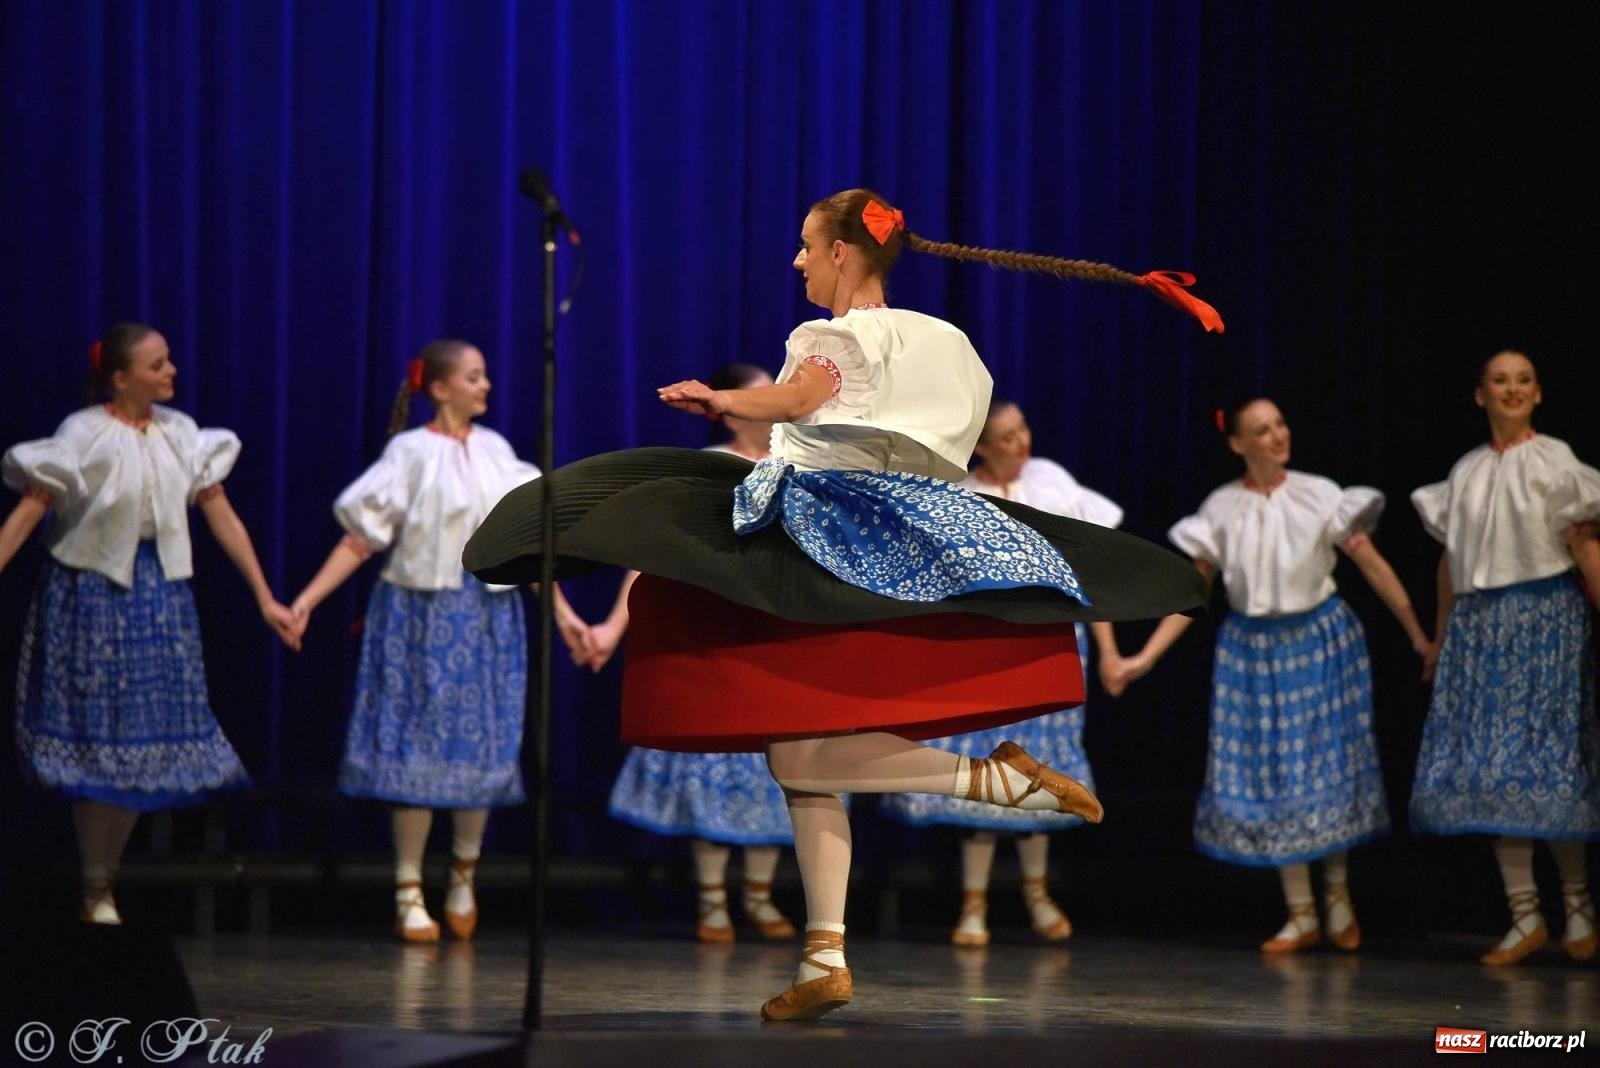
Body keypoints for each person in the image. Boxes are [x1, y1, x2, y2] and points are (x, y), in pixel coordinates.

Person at [464, 188, 1218, 1019]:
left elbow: (798, 399)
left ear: (841, 253)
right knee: (803, 760)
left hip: (826, 550)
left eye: (806, 245)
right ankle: (826, 953)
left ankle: (988, 784)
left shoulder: (833, 337)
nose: (797, 260)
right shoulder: (947, 343)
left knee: (797, 756)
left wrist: (724, 400)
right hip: (909, 542)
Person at [1101, 398, 1431, 952]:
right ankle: (1301, 912)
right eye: (1262, 430)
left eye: (1280, 425)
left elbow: (1373, 567)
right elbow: (1193, 594)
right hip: (1253, 652)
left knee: (1324, 769)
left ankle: (1338, 896)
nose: (1278, 436)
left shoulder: (1319, 494)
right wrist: (1145, 657)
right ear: (1238, 444)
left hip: (1318, 642)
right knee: (1276, 777)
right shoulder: (1222, 507)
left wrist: (1417, 633)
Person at [0, 322, 298, 924]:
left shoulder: (180, 432)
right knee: (100, 744)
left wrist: (266, 597)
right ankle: (95, 885)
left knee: (138, 746)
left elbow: (223, 518)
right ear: (120, 377)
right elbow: (29, 513)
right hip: (91, 594)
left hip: (159, 595)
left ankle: (103, 882)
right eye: (157, 365)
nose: (171, 372)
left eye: (168, 362)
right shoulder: (82, 433)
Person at [287, 339, 584, 943]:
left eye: (484, 375)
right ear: (441, 388)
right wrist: (307, 600)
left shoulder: (496, 451)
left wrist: (564, 615)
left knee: (482, 746)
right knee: (417, 749)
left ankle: (463, 876)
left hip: (486, 616)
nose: (486, 386)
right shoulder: (410, 451)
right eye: (474, 377)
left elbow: (522, 548)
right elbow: (361, 539)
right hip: (419, 615)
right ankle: (407, 886)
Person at [880, 397, 1125, 946]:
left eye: (1023, 430)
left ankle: (1037, 895)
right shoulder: (964, 496)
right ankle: (974, 903)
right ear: (983, 447)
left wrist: (1109, 652)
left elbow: (1088, 578)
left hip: (1052, 646)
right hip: (989, 652)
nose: (1022, 443)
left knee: (1043, 770)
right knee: (990, 771)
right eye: (1007, 437)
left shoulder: (1051, 481)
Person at [1408, 349, 1600, 965]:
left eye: (1523, 381)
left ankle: (1578, 908)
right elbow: (1450, 563)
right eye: (1500, 381)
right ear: (1481, 394)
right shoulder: (1465, 471)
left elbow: (1585, 547)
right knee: (1493, 769)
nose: (1512, 390)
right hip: (1479, 628)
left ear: (1537, 393)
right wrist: (1440, 638)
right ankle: (1525, 913)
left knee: (1549, 765)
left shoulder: (1556, 461)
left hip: (1545, 623)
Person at [599, 363, 799, 942]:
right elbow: (654, 553)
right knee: (717, 757)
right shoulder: (709, 468)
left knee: (777, 764)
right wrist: (613, 626)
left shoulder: (800, 462)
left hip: (778, 631)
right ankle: (712, 899)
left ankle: (759, 895)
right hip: (719, 630)